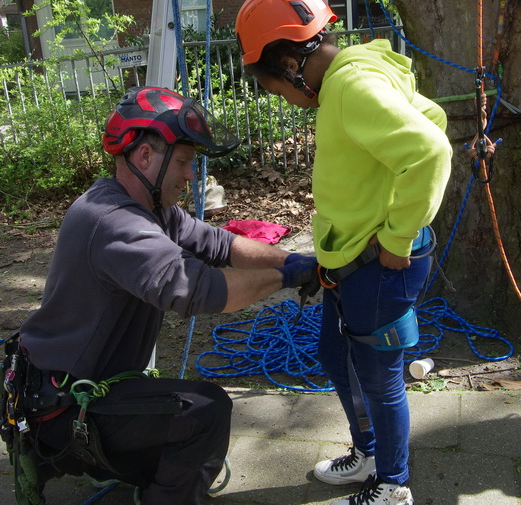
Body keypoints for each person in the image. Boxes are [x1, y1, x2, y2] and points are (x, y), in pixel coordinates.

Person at [9, 86, 318, 504]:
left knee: (175, 443)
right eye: (185, 162)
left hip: (79, 389)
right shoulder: (115, 222)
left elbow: (220, 245)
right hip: (63, 406)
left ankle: (109, 461)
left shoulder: (152, 212)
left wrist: (301, 262)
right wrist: (286, 279)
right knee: (204, 413)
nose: (191, 176)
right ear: (144, 158)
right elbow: (202, 290)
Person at [236, 0, 452, 505]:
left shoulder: (352, 86)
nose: (284, 101)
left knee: (380, 379)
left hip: (378, 265)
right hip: (351, 259)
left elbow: (429, 150)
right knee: (335, 354)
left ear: (287, 64)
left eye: (273, 87)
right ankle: (370, 453)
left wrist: (398, 235)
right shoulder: (353, 76)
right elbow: (434, 116)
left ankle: (393, 484)